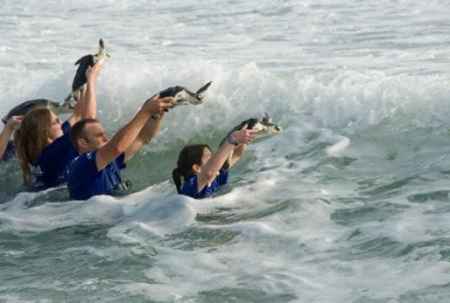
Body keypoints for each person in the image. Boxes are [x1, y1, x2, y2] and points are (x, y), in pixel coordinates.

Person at [66, 95, 175, 200]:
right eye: (99, 136)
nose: (106, 138)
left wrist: (156, 115)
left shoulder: (107, 162)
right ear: (83, 143)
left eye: (104, 134)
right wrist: (145, 111)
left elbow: (142, 138)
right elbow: (116, 147)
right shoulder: (80, 164)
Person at [14, 62, 103, 189]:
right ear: (45, 131)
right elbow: (89, 121)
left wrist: (82, 85)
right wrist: (92, 79)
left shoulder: (48, 145)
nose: (62, 122)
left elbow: (78, 115)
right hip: (59, 202)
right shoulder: (54, 151)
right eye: (56, 121)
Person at [172, 125, 256, 199]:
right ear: (197, 168)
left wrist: (246, 135)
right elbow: (208, 173)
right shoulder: (190, 186)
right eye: (209, 157)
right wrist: (232, 140)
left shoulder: (217, 175)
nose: (214, 159)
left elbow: (237, 155)